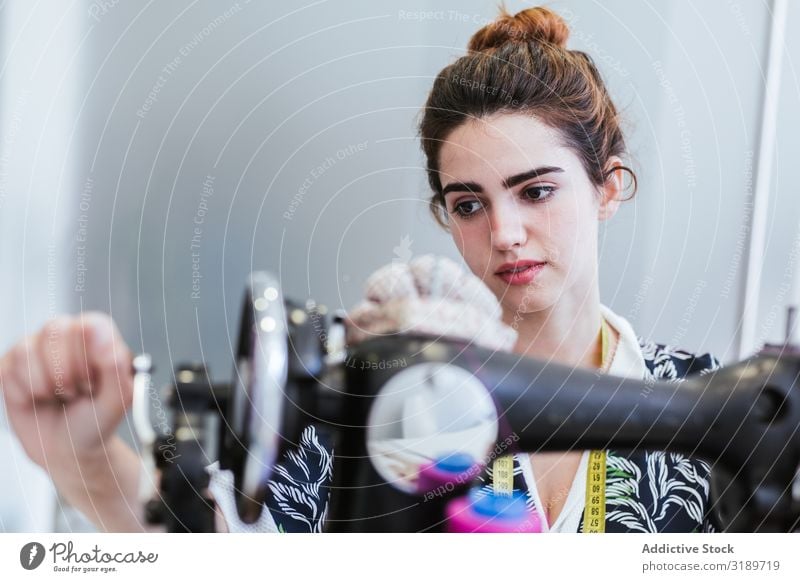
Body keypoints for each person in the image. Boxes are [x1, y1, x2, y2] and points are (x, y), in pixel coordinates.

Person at [0, 6, 720, 534]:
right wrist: (87, 457)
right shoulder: (378, 398)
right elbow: (223, 551)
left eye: (536, 191)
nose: (503, 233)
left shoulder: (708, 407)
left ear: (607, 188)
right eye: (468, 204)